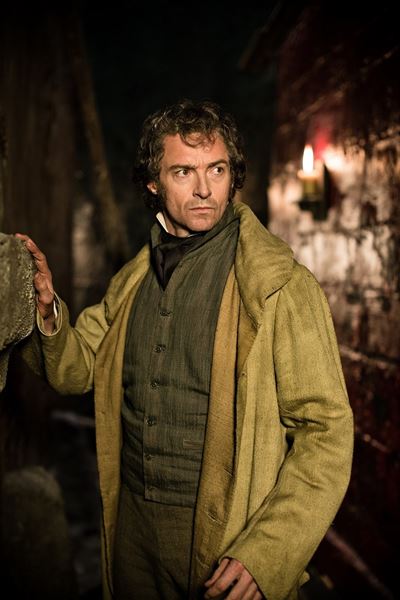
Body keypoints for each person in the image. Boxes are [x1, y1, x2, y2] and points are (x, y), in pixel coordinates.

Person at [18, 99, 354, 600]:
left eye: (217, 169)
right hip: (132, 532)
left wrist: (267, 553)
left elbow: (326, 431)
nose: (204, 189)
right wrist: (45, 310)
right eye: (183, 172)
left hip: (226, 538)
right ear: (153, 182)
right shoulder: (131, 281)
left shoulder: (280, 286)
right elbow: (76, 368)